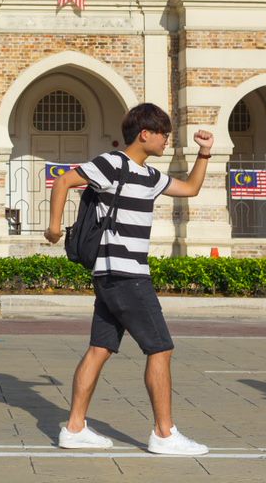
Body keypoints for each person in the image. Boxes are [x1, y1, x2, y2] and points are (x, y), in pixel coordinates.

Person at [43, 103, 216, 456]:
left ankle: (74, 428)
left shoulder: (149, 176)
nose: (167, 140)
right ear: (144, 134)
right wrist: (54, 226)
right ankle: (164, 434)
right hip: (127, 275)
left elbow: (190, 189)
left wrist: (205, 153)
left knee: (99, 349)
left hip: (111, 276)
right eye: (163, 134)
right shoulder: (112, 163)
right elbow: (64, 180)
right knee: (161, 348)